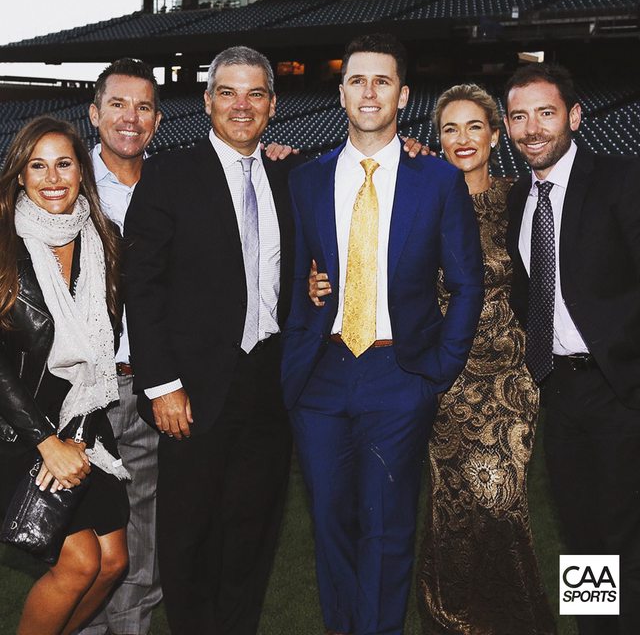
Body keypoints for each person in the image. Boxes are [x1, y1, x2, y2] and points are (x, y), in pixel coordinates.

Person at [281, 33, 484, 635]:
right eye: (357, 80)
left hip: (401, 373)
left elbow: (466, 284)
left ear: (403, 94)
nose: (369, 92)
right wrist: (307, 294)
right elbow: (290, 270)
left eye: (382, 81)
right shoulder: (305, 178)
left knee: (387, 528)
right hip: (322, 374)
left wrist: (437, 369)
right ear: (341, 92)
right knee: (330, 526)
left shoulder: (437, 179)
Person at [123, 46, 301, 635]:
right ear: (206, 101)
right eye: (228, 92)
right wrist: (161, 384)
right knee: (189, 536)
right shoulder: (169, 175)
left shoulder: (289, 176)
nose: (241, 106)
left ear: (272, 105)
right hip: (191, 390)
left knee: (252, 532)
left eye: (255, 94)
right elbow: (142, 286)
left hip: (269, 384)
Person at [503, 63, 640, 635]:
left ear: (575, 116)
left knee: (624, 537)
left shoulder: (621, 179)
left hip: (621, 390)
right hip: (558, 392)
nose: (532, 128)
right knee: (581, 537)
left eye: (546, 113)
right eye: (519, 117)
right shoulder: (520, 197)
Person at [415, 84, 555, 634]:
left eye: (474, 126)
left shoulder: (522, 198)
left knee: (501, 503)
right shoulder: (421, 202)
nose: (463, 138)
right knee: (454, 510)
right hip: (446, 380)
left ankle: (518, 622)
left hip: (511, 378)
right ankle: (450, 619)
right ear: (438, 140)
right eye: (450, 128)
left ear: (495, 135)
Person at [0, 116, 129, 635]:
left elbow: (105, 343)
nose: (52, 178)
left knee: (113, 562)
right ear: (20, 175)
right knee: (79, 563)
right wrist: (46, 442)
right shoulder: (4, 244)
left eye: (64, 164)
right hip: (19, 427)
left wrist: (75, 437)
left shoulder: (104, 239)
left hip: (84, 417)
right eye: (38, 166)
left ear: (82, 172)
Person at [77, 58, 163, 635]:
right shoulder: (63, 183)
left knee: (140, 540)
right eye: (117, 104)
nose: (130, 118)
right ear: (94, 113)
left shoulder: (174, 183)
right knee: (82, 549)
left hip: (149, 384)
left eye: (143, 107)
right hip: (79, 391)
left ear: (157, 119)